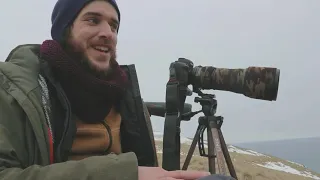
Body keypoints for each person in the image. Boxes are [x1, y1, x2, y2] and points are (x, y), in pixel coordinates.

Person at [0, 0, 211, 179]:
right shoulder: (16, 90)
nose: (108, 33)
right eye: (93, 20)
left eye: (114, 26)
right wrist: (125, 174)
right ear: (64, 29)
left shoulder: (123, 93)